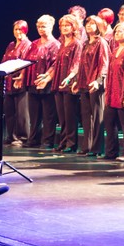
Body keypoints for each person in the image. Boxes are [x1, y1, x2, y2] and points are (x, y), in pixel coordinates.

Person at [0, 20, 31, 147]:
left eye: (21, 29)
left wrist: (21, 76)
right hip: (9, 82)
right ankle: (10, 136)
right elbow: (4, 61)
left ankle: (22, 137)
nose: (18, 32)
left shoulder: (28, 45)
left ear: (26, 30)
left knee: (21, 112)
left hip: (20, 81)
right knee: (9, 111)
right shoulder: (11, 45)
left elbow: (27, 63)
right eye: (16, 29)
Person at [74, 15, 109, 157]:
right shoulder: (86, 43)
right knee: (86, 117)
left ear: (98, 26)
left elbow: (105, 63)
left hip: (95, 83)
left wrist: (98, 80)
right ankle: (86, 146)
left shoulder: (101, 42)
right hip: (85, 83)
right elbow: (82, 64)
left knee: (97, 116)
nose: (89, 26)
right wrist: (77, 80)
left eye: (92, 24)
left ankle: (96, 147)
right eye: (87, 23)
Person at [25, 15, 61, 149]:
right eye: (39, 26)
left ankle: (47, 141)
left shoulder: (56, 44)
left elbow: (55, 65)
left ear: (51, 26)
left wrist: (46, 77)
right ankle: (33, 138)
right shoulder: (34, 44)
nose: (41, 29)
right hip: (33, 82)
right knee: (34, 114)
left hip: (48, 84)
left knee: (48, 115)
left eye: (44, 26)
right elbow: (27, 62)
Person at [102, 23, 124, 162]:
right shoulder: (114, 50)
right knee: (109, 122)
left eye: (121, 31)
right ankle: (111, 152)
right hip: (112, 92)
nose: (117, 33)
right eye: (116, 31)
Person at [50, 14, 82, 153]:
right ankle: (63, 142)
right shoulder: (62, 43)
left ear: (73, 27)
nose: (64, 28)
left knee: (70, 115)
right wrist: (48, 76)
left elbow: (77, 64)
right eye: (62, 26)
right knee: (62, 116)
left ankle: (71, 143)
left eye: (67, 25)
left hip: (69, 83)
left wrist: (69, 78)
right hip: (59, 82)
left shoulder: (77, 44)